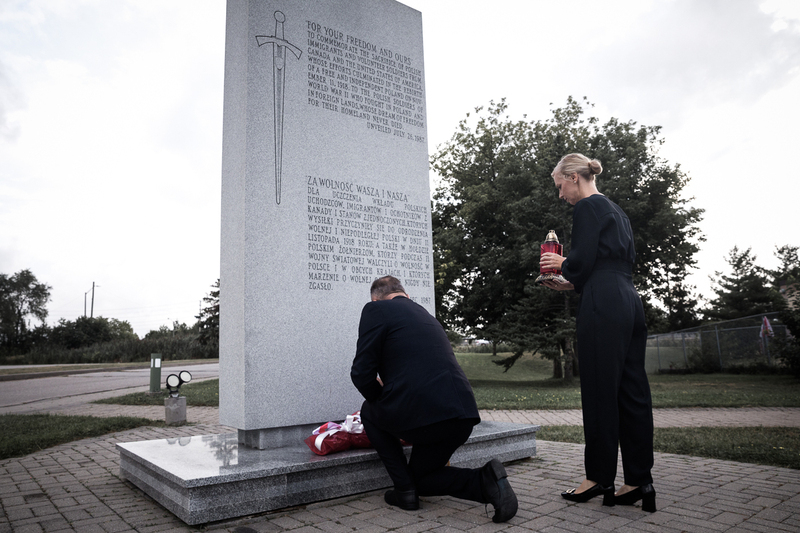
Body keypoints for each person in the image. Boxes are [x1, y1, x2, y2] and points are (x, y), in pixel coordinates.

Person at [540, 153, 656, 512]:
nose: (561, 195)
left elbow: (582, 260)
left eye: (560, 186)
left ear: (573, 177)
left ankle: (598, 478)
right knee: (633, 392)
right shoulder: (617, 211)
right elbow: (607, 264)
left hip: (602, 305)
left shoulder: (587, 207)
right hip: (628, 300)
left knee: (599, 392)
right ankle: (639, 481)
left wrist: (562, 264)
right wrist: (573, 282)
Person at [350, 276, 518, 522]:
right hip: (461, 415)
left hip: (422, 414)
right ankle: (485, 481)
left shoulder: (376, 309)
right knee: (422, 479)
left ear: (376, 299)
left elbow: (361, 374)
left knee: (369, 411)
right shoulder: (427, 316)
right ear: (406, 295)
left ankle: (404, 491)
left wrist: (380, 400)